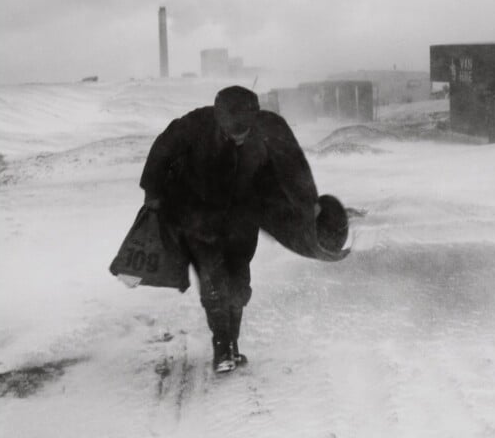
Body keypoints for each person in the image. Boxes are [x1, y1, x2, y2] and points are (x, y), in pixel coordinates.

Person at [139, 85, 349, 373]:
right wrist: (153, 193)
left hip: (243, 216)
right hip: (199, 217)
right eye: (232, 131)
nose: (239, 137)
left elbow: (294, 167)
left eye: (244, 131)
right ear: (219, 117)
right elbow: (161, 152)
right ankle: (221, 345)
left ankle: (231, 343)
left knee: (238, 281)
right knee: (212, 277)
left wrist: (309, 205)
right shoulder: (194, 125)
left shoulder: (268, 128)